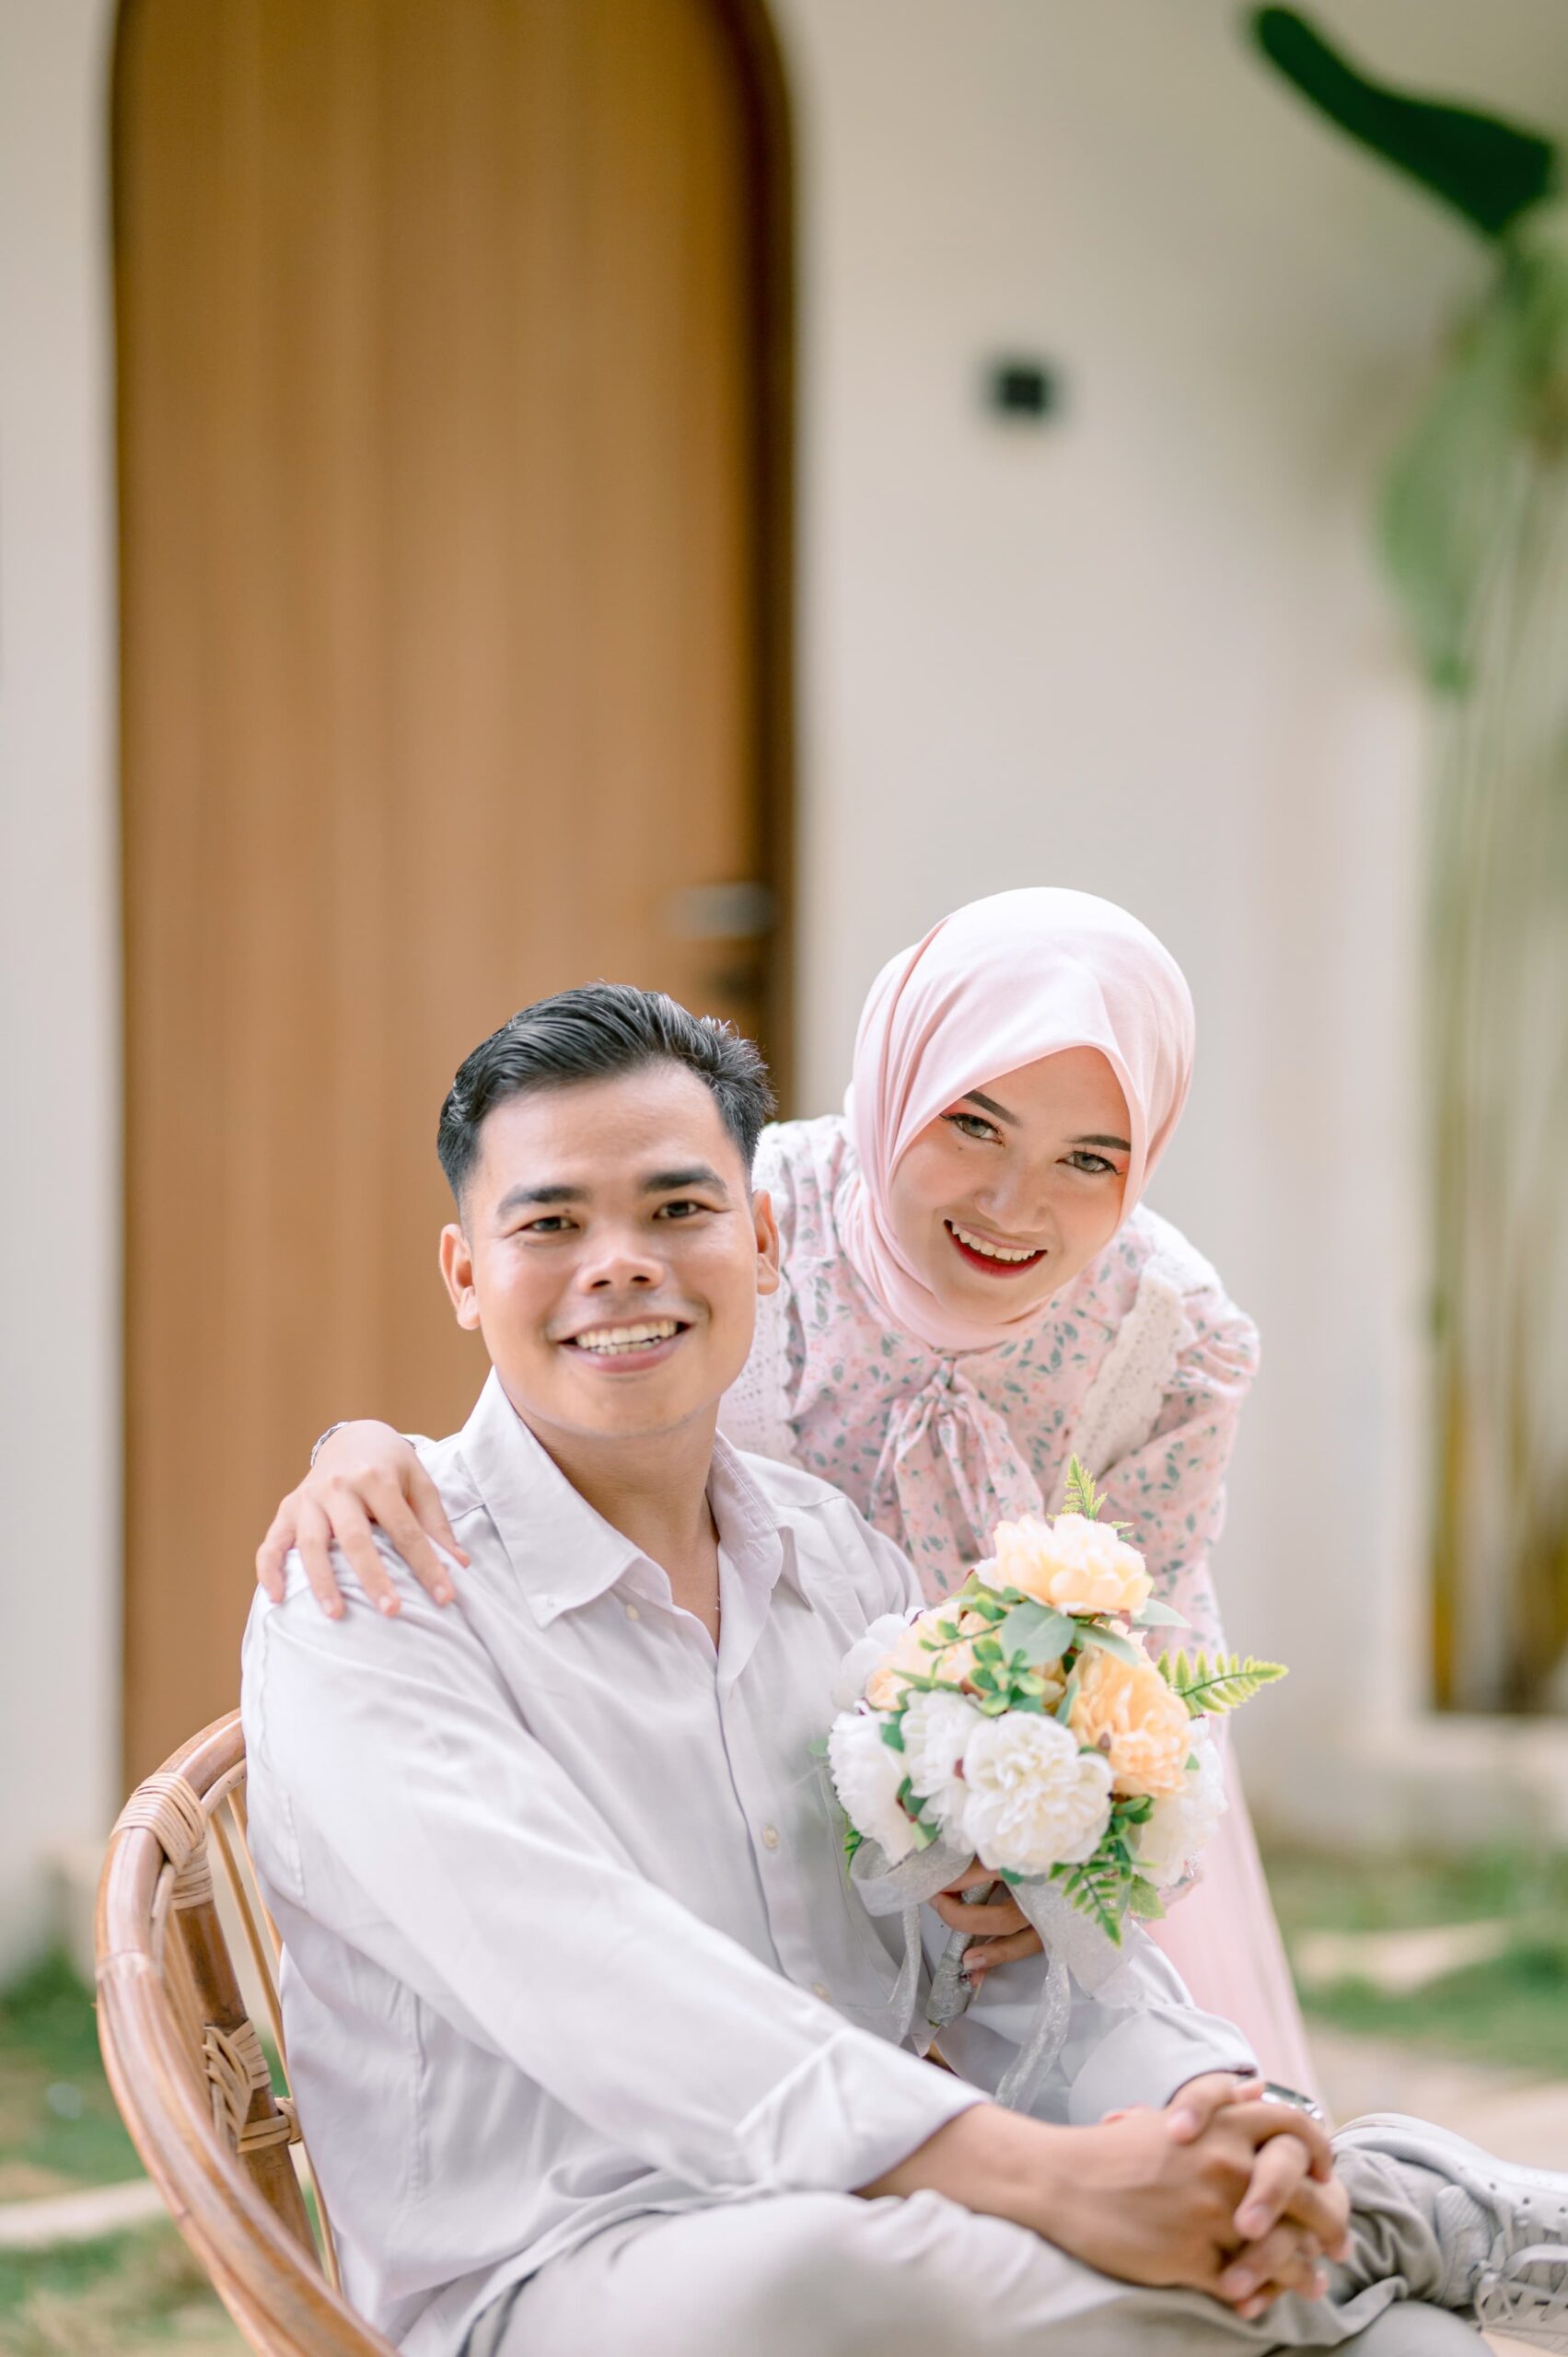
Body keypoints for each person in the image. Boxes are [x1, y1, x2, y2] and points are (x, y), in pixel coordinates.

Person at [242, 983, 1568, 2357]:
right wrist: (1045, 2177)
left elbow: (1001, 1954)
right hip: (566, 2277)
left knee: (1400, 2342)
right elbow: (586, 1973)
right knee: (814, 2281)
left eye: (679, 1209)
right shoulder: (365, 1598)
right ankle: (1407, 2219)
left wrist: (1209, 2113)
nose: (622, 1264)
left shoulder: (837, 1561)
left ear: (763, 1241)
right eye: (551, 1224)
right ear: (465, 1275)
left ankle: (1345, 2224)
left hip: (897, 2222)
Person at [254, 890, 1308, 2084]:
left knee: (1159, 2099)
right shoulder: (760, 1211)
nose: (1014, 1204)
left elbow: (1152, 1639)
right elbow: (572, 1373)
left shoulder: (1172, 1333)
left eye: (1089, 1159)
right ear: (900, 1084)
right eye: (973, 1125)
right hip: (736, 1781)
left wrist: (1076, 1851)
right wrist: (357, 1441)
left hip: (1018, 1823)